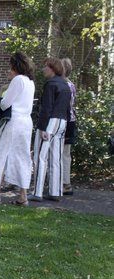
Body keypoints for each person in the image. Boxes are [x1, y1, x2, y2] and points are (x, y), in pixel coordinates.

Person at [0, 52, 35, 205]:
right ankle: (23, 195)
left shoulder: (18, 80)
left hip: (14, 121)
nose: (9, 69)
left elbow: (5, 103)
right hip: (26, 122)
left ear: (15, 66)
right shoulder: (30, 82)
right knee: (22, 156)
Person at [29, 57, 72, 202]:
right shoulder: (65, 85)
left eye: (45, 67)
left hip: (50, 122)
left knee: (40, 157)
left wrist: (42, 128)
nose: (43, 69)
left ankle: (37, 192)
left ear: (52, 68)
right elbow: (68, 108)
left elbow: (46, 108)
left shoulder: (51, 84)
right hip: (62, 122)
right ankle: (55, 191)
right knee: (56, 157)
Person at [61, 58, 77, 196]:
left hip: (66, 121)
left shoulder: (64, 85)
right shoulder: (71, 84)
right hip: (70, 120)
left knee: (63, 153)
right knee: (65, 153)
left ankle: (65, 183)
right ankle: (63, 182)